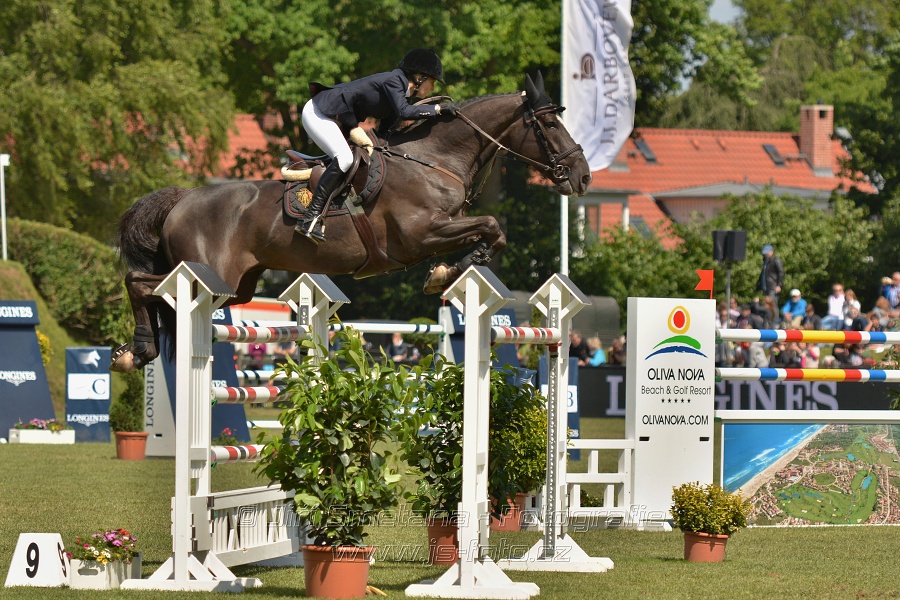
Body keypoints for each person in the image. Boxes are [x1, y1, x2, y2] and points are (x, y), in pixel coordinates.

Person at [296, 48, 457, 243]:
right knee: (345, 158)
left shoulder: (398, 93)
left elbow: (385, 134)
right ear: (419, 77)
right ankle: (310, 216)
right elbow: (405, 112)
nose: (432, 89)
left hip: (333, 117)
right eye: (432, 82)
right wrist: (437, 109)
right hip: (319, 112)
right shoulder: (394, 81)